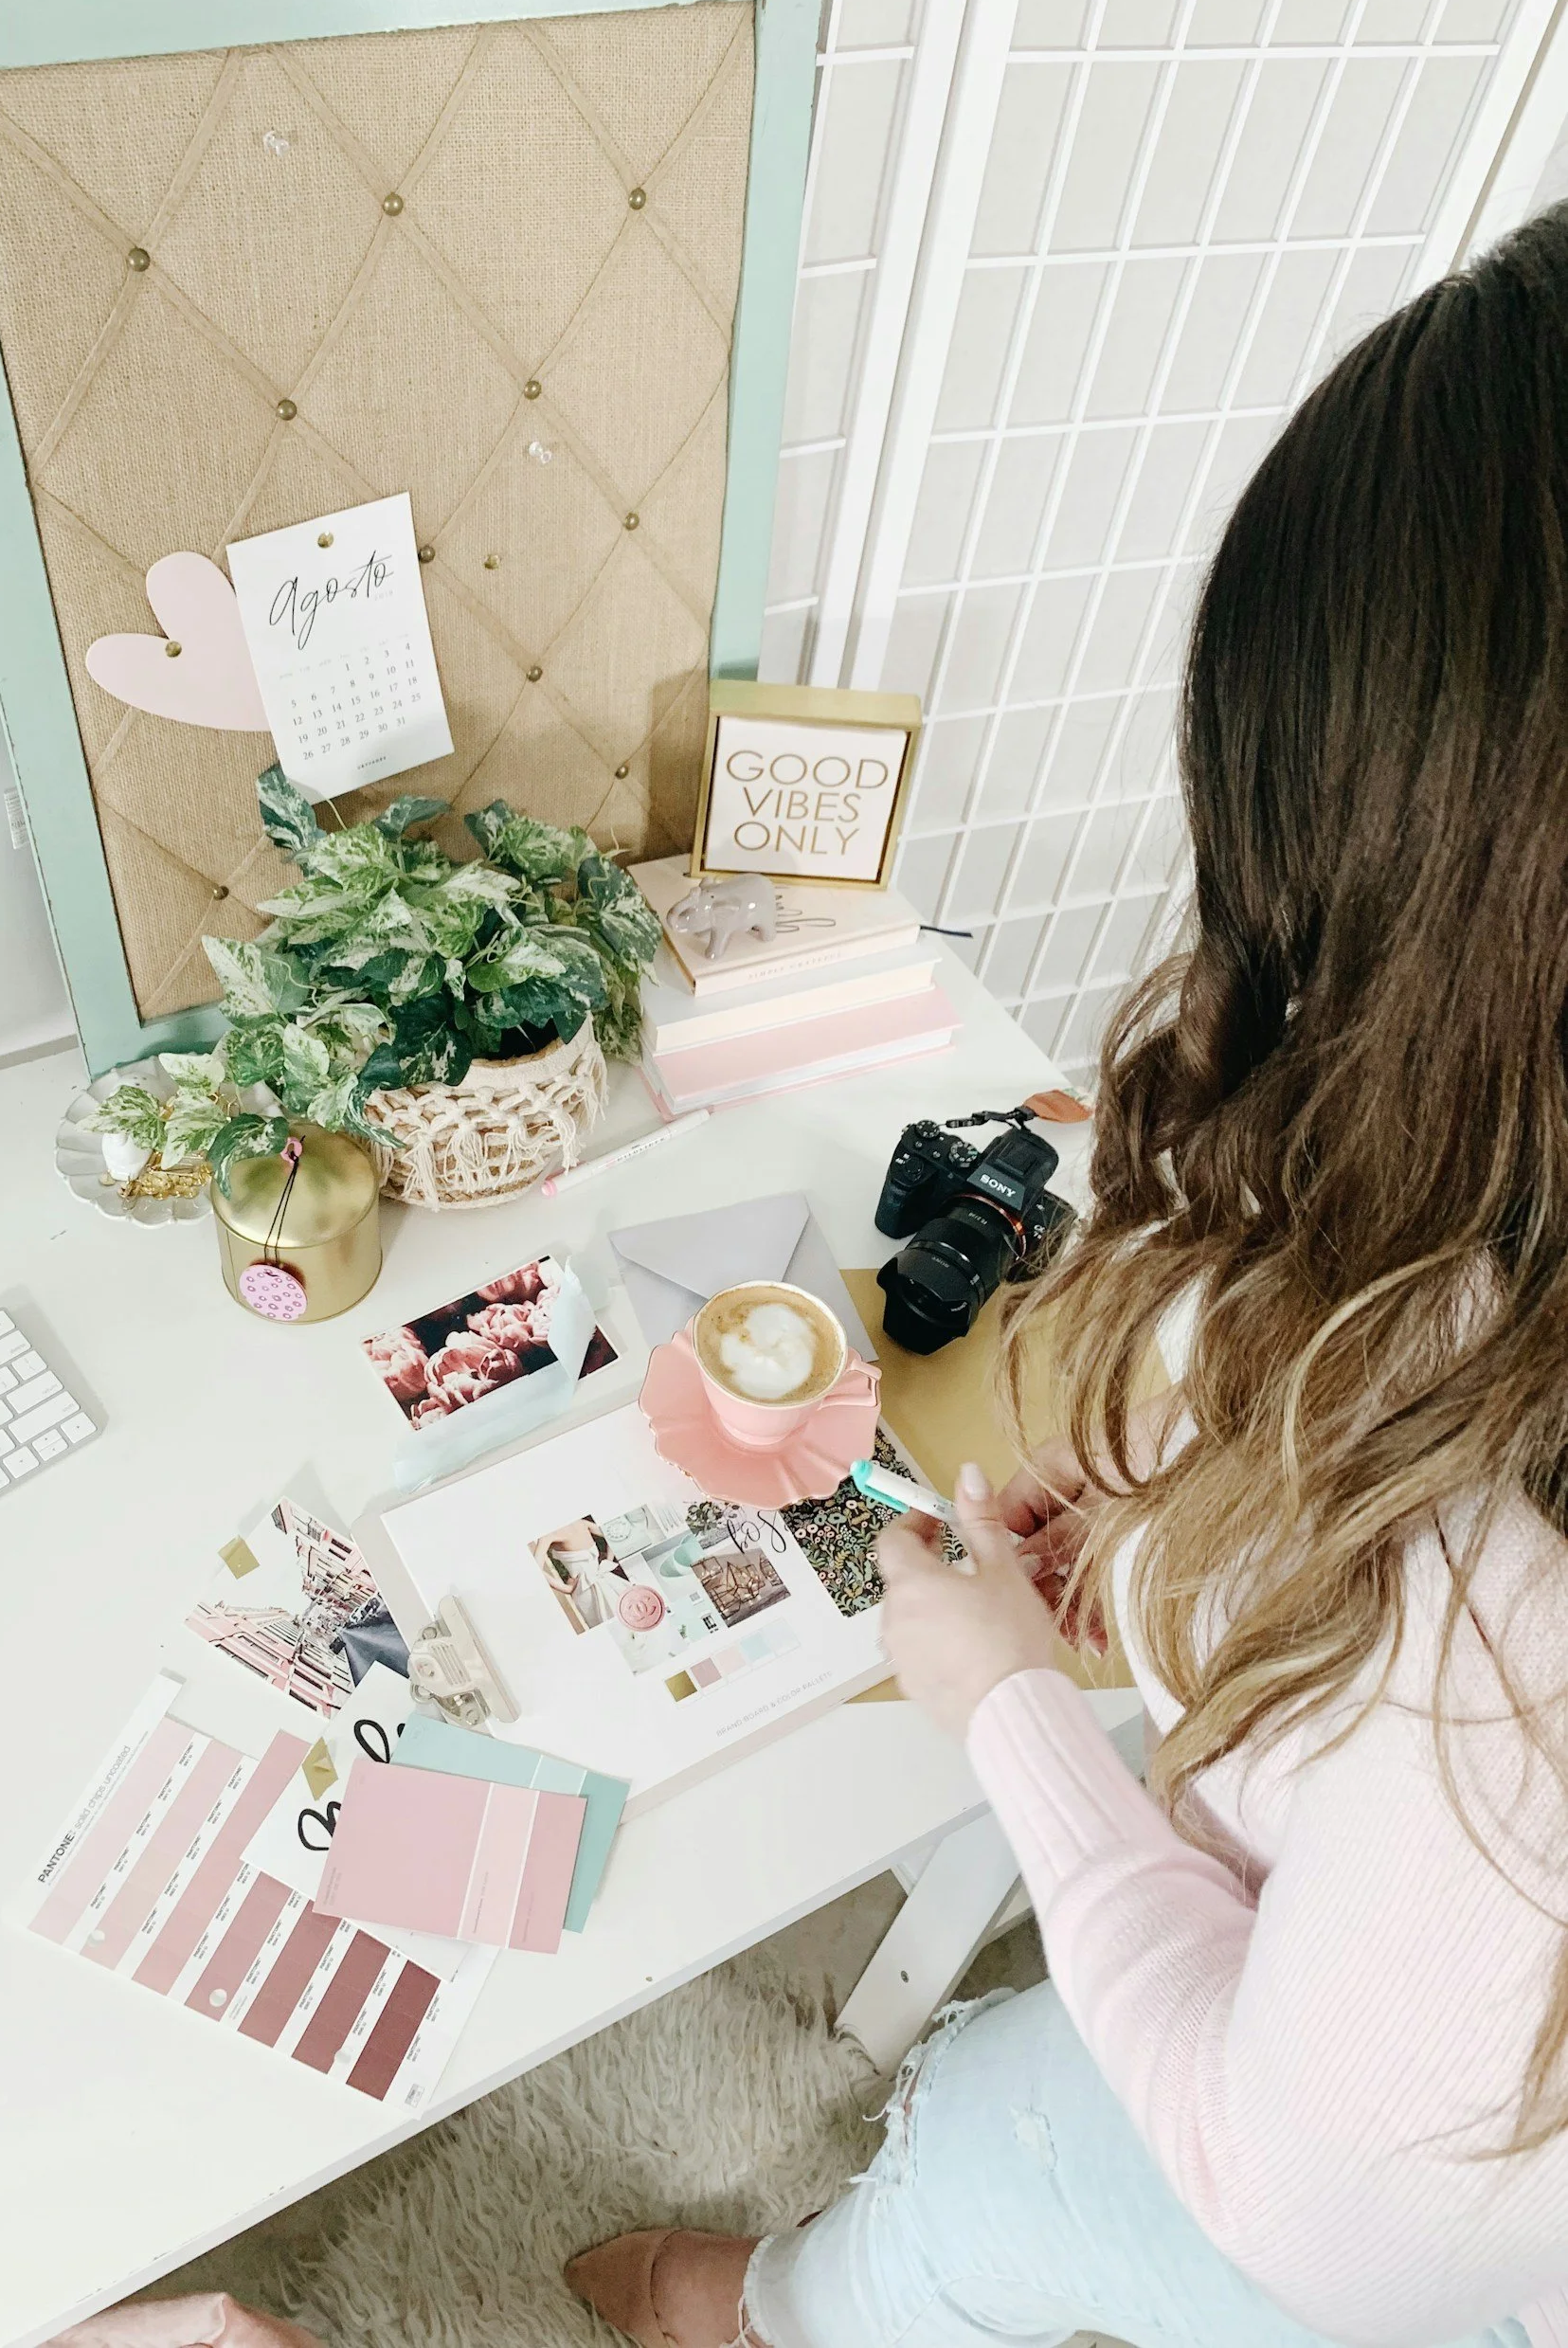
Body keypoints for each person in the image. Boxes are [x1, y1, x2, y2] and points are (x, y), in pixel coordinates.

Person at [566, 204, 1568, 2348]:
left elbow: (1312, 2207)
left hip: (1397, 2238)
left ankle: (768, 2313)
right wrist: (1204, 1558)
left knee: (990, 2137)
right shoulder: (1479, 1318)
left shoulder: (1520, 1652)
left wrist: (1008, 1708)